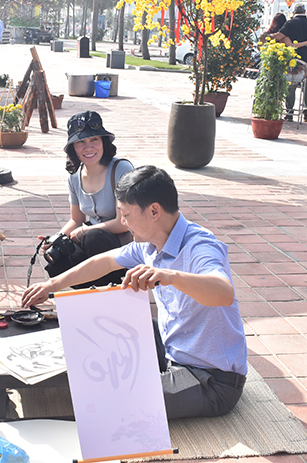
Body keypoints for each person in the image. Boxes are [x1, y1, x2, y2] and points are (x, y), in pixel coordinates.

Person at [23, 165, 248, 420]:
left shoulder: (201, 245)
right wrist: (51, 286)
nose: (123, 223)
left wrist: (170, 276)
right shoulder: (149, 246)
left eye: (126, 215)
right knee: (101, 328)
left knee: (114, 405)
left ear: (154, 211)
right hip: (172, 348)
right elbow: (103, 262)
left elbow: (223, 293)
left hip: (212, 380)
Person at [39, 110, 133, 289]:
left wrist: (84, 232)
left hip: (122, 246)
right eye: (81, 141)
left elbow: (123, 222)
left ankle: (109, 291)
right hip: (92, 241)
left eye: (94, 140)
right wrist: (57, 238)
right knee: (58, 263)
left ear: (103, 142)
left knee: (93, 237)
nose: (88, 147)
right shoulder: (74, 176)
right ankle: (93, 296)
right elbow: (76, 220)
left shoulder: (121, 169)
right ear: (73, 147)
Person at [276, 4, 307, 123]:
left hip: (293, 60)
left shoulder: (289, 23)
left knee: (291, 85)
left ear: (293, 12)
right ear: (304, 11)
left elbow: (279, 36)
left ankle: (289, 113)